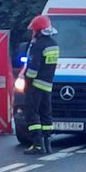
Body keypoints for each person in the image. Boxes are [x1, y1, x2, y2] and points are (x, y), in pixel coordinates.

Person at [23, 15, 60, 156]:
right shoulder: (54, 45)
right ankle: (47, 143)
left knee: (32, 114)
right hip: (48, 85)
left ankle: (37, 145)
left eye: (33, 31)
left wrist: (27, 82)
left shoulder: (38, 46)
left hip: (36, 85)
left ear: (38, 31)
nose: (32, 33)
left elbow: (33, 68)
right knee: (46, 115)